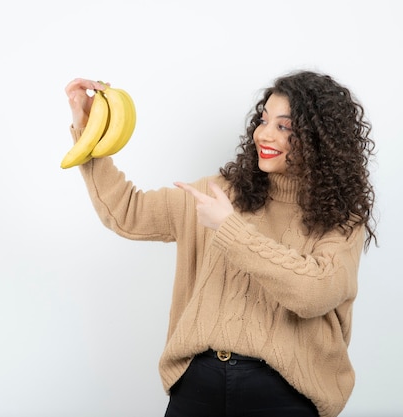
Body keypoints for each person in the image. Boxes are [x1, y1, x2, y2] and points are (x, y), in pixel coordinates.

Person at [64, 70, 377, 417]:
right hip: (198, 387)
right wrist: (88, 136)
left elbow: (314, 292)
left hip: (283, 395)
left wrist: (229, 228)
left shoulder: (341, 219)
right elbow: (127, 212)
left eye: (284, 126)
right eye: (264, 120)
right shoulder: (219, 192)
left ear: (319, 139)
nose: (264, 134)